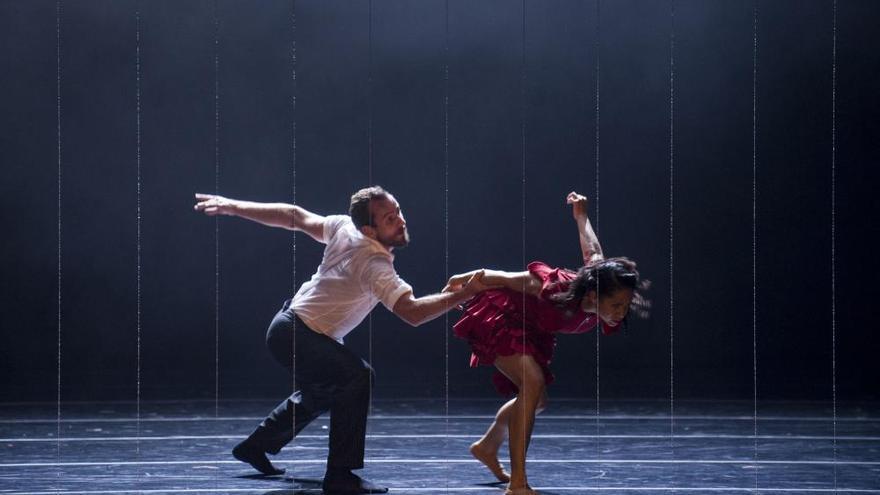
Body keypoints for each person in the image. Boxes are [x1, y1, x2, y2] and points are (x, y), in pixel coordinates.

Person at [194, 186, 488, 494]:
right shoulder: (373, 265)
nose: (401, 220)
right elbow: (411, 313)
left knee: (324, 391)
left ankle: (255, 447)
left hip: (291, 327)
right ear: (368, 229)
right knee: (357, 377)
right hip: (296, 332)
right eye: (390, 218)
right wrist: (463, 294)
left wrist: (233, 206)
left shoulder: (343, 226)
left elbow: (294, 216)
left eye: (398, 211)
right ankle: (340, 476)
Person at [443, 192, 649, 495]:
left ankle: (487, 446)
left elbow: (593, 250)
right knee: (533, 381)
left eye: (625, 305)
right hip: (502, 316)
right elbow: (505, 278)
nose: (621, 312)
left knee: (536, 400)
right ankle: (518, 484)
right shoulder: (556, 287)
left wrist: (581, 216)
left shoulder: (599, 281)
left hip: (533, 328)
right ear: (593, 297)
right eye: (617, 305)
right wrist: (460, 281)